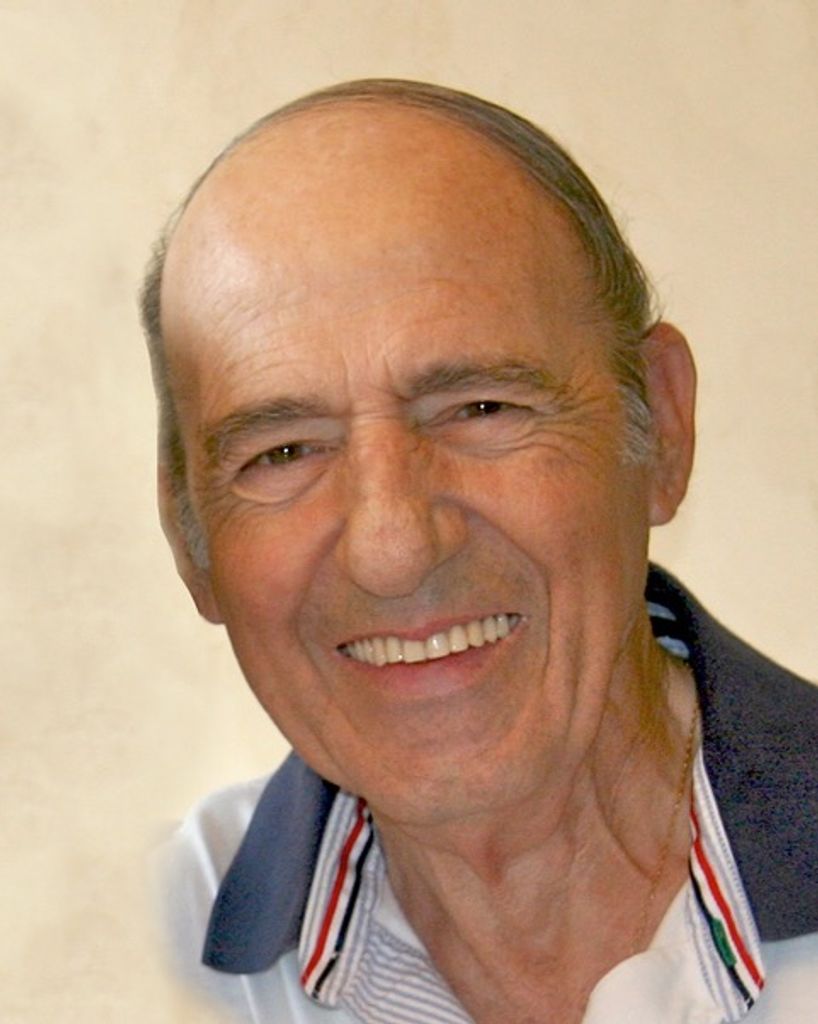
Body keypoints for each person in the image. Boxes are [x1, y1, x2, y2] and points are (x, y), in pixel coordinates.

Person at [140, 80, 818, 1024]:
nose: (392, 548)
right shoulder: (152, 954)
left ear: (661, 428)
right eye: (284, 452)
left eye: (480, 408)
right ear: (190, 538)